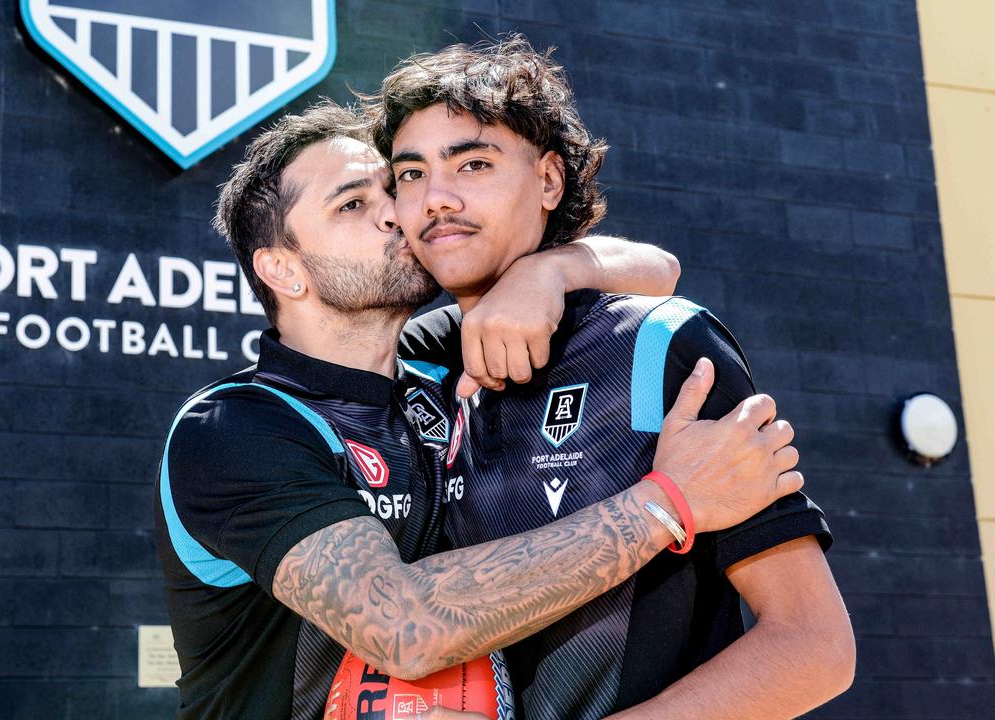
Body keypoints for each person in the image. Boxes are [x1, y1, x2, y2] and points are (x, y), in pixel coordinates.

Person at [155, 101, 804, 719]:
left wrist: (546, 273)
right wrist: (669, 502)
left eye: (391, 190)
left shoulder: (440, 360)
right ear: (283, 270)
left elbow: (658, 269)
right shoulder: (235, 428)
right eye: (353, 205)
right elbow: (403, 628)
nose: (397, 215)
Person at [377, 36, 856, 720]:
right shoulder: (412, 369)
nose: (437, 199)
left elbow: (814, 646)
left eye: (473, 164)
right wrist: (552, 269)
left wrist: (552, 268)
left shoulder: (658, 343)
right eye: (411, 174)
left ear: (548, 180)